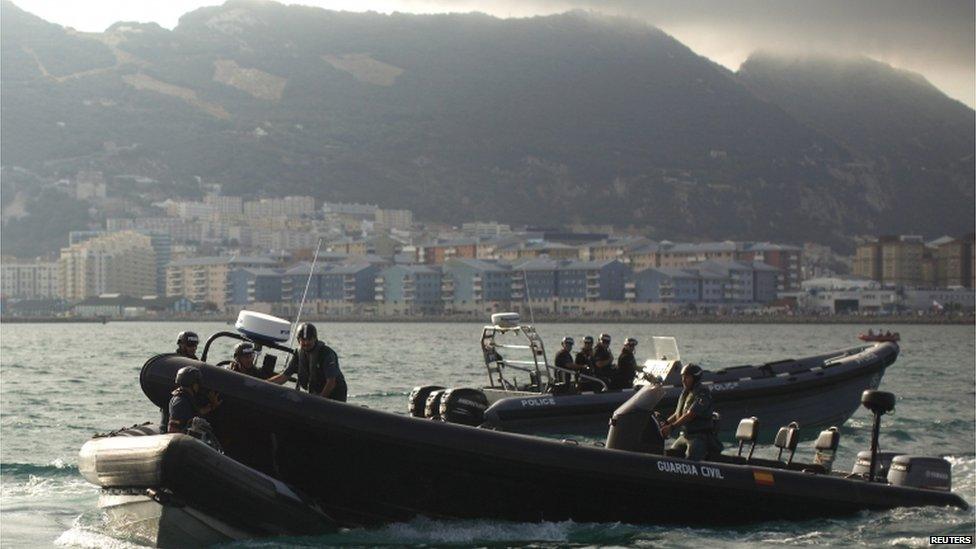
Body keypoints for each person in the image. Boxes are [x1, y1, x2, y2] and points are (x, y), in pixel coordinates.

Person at [269, 323, 347, 401]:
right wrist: (264, 384)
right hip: (316, 393)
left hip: (335, 396)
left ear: (315, 339)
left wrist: (320, 400)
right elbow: (284, 377)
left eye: (309, 339)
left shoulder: (326, 354)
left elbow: (331, 382)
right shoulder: (298, 354)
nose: (306, 343)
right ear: (298, 340)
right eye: (303, 340)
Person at [659, 363, 719, 461]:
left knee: (691, 458)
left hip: (699, 436)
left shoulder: (702, 393)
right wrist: (665, 423)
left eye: (687, 377)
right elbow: (677, 414)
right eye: (682, 377)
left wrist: (672, 427)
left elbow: (691, 414)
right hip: (685, 435)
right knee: (671, 454)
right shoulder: (686, 392)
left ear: (695, 378)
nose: (683, 380)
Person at [164, 365, 221, 433]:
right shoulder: (180, 402)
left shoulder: (186, 398)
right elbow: (173, 430)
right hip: (182, 439)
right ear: (194, 384)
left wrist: (212, 406)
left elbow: (196, 412)